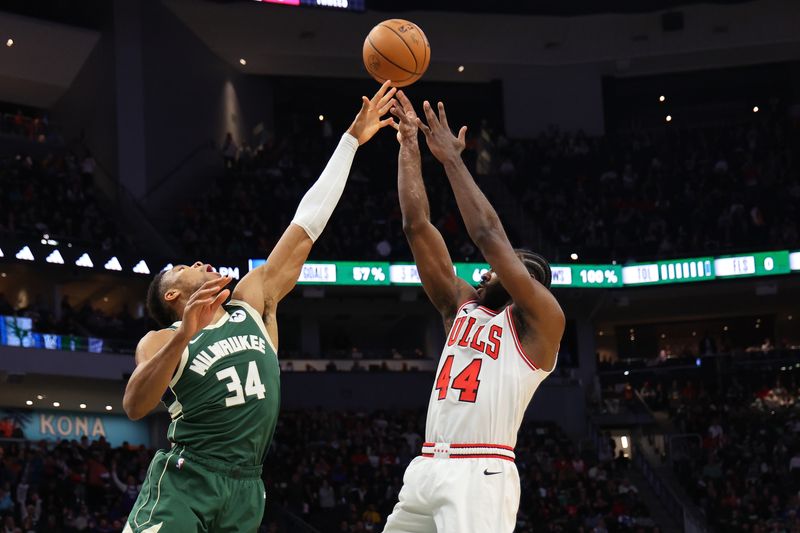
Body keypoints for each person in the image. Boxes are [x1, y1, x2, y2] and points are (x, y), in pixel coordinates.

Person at [122, 81, 397, 533]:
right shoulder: (160, 339)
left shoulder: (253, 299)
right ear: (173, 296)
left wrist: (349, 142)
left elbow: (305, 226)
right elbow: (134, 404)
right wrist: (186, 335)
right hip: (188, 478)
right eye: (186, 267)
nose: (200, 261)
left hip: (247, 486)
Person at [382, 92, 564, 533]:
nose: (484, 273)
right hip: (428, 464)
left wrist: (451, 160)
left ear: (525, 279)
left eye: (500, 270)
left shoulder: (542, 323)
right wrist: (409, 146)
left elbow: (487, 234)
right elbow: (416, 226)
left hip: (481, 469)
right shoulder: (460, 306)